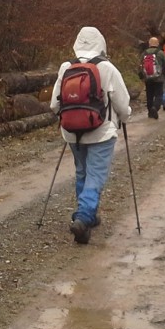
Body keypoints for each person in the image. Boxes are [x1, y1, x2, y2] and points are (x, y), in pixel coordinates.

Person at [50, 27, 132, 244]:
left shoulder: (66, 67)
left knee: (82, 172)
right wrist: (124, 118)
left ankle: (87, 215)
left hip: (71, 132)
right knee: (96, 174)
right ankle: (84, 216)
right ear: (101, 43)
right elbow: (122, 104)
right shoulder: (107, 67)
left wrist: (68, 117)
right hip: (101, 132)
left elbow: (54, 104)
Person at [139, 37, 165, 119]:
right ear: (157, 44)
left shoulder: (144, 53)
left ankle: (150, 112)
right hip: (158, 78)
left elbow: (140, 65)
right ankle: (155, 108)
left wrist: (141, 76)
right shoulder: (161, 53)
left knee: (149, 95)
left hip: (147, 78)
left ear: (149, 44)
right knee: (159, 95)